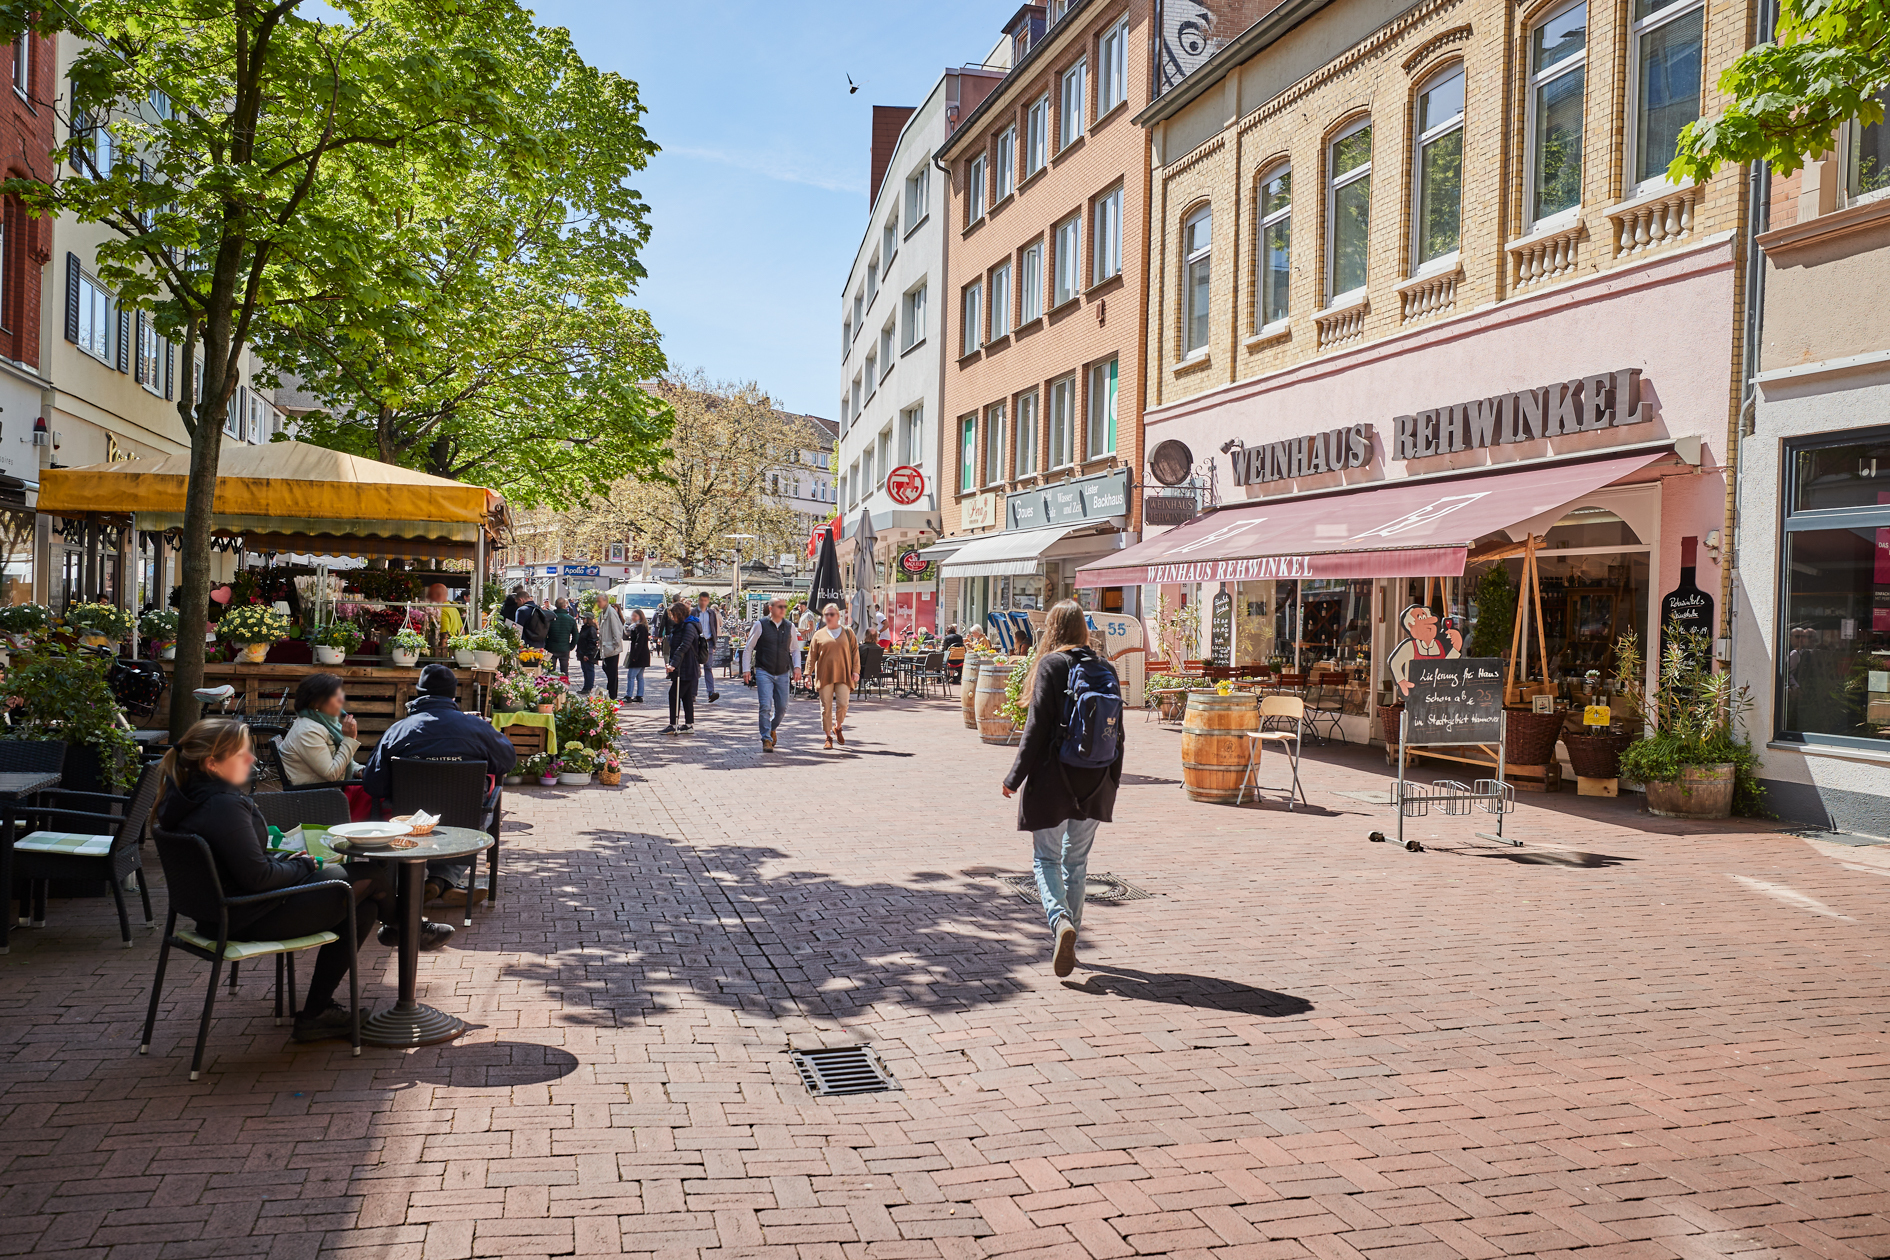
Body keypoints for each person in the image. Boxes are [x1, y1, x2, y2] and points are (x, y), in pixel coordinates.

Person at [152, 720, 408, 1045]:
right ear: (212, 764)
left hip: (217, 915)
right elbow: (257, 877)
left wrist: (286, 863)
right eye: (241, 754)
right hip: (247, 916)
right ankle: (405, 926)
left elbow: (242, 865)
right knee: (369, 877)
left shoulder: (185, 798)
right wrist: (302, 865)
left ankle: (320, 1012)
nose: (252, 760)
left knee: (366, 905)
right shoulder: (223, 806)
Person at [1001, 600, 1125, 978]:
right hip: (1096, 776)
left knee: (1046, 859)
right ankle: (1071, 930)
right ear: (1084, 630)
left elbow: (1036, 728)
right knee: (1077, 861)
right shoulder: (1106, 667)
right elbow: (1118, 733)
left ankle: (1060, 924)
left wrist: (1014, 778)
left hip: (1055, 776)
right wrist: (1112, 781)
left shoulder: (1052, 665)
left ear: (1052, 629)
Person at [362, 664, 516, 909]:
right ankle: (441, 880)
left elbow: (373, 785)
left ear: (419, 693)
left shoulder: (398, 730)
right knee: (481, 813)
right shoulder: (476, 728)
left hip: (409, 818)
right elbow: (508, 762)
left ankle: (424, 883)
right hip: (466, 815)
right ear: (453, 695)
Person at [743, 596, 804, 751]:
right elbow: (749, 648)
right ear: (771, 609)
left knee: (782, 708)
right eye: (780, 606)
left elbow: (795, 649)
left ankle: (771, 727)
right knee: (765, 706)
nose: (783, 609)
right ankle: (766, 739)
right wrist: (745, 670)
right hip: (764, 671)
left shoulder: (789, 626)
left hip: (783, 672)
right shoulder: (760, 625)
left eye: (785, 606)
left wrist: (797, 667)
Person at [806, 603, 860, 750]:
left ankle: (838, 726)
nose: (829, 617)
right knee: (826, 707)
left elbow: (855, 652)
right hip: (824, 674)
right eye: (826, 614)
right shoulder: (818, 635)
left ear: (838, 616)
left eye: (832, 614)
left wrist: (856, 670)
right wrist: (807, 674)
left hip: (843, 674)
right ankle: (828, 736)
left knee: (843, 704)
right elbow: (812, 656)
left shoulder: (848, 632)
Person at [663, 601, 702, 734]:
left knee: (674, 694)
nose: (672, 617)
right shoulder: (682, 625)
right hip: (684, 665)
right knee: (685, 696)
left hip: (687, 666)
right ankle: (688, 724)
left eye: (673, 615)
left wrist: (673, 664)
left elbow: (684, 646)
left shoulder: (688, 626)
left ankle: (673, 724)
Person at [695, 593, 722, 702]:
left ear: (708, 601)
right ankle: (693, 693)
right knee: (695, 669)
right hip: (696, 643)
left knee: (708, 667)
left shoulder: (712, 613)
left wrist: (714, 644)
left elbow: (714, 628)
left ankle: (711, 692)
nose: (703, 602)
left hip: (708, 643)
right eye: (701, 600)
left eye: (705, 600)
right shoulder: (693, 612)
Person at [597, 597, 625, 699]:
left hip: (611, 649)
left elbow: (617, 630)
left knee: (612, 672)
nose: (598, 603)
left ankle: (612, 695)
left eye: (599, 601)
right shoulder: (603, 613)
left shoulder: (611, 613)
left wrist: (615, 645)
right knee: (607, 669)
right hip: (606, 648)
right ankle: (611, 693)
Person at [546, 597, 579, 678]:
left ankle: (549, 688)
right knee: (564, 671)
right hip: (564, 647)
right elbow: (576, 635)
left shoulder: (550, 618)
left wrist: (546, 644)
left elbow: (544, 633)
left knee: (550, 671)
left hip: (551, 647)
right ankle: (564, 687)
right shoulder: (571, 619)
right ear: (565, 606)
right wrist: (571, 646)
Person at [625, 609, 651, 703]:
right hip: (643, 655)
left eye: (635, 616)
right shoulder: (640, 627)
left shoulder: (639, 627)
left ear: (640, 616)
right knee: (639, 676)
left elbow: (638, 643)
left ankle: (629, 695)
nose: (633, 617)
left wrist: (634, 656)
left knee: (631, 676)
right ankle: (639, 695)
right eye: (632, 616)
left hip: (639, 655)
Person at [575, 611, 601, 694]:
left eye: (584, 618)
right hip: (583, 652)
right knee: (585, 670)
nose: (583, 620)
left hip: (588, 654)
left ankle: (588, 687)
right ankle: (586, 687)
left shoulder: (591, 629)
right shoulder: (585, 628)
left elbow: (592, 643)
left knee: (589, 670)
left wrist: (587, 654)